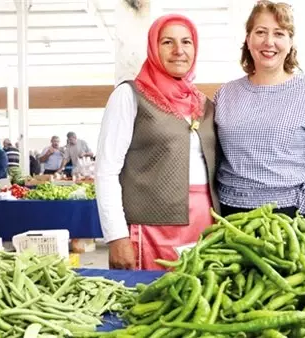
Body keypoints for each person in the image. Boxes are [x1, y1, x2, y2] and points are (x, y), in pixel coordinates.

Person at [95, 14, 219, 270]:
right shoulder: (130, 95)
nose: (179, 51)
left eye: (186, 42)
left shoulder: (204, 104)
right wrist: (117, 236)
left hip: (205, 224)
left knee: (198, 301)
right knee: (149, 301)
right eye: (167, 42)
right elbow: (106, 171)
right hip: (152, 227)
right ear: (153, 47)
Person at [214, 1, 305, 220]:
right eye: (260, 32)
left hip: (289, 216)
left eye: (279, 33)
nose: (269, 42)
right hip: (229, 215)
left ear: (290, 42)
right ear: (248, 38)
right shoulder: (225, 94)